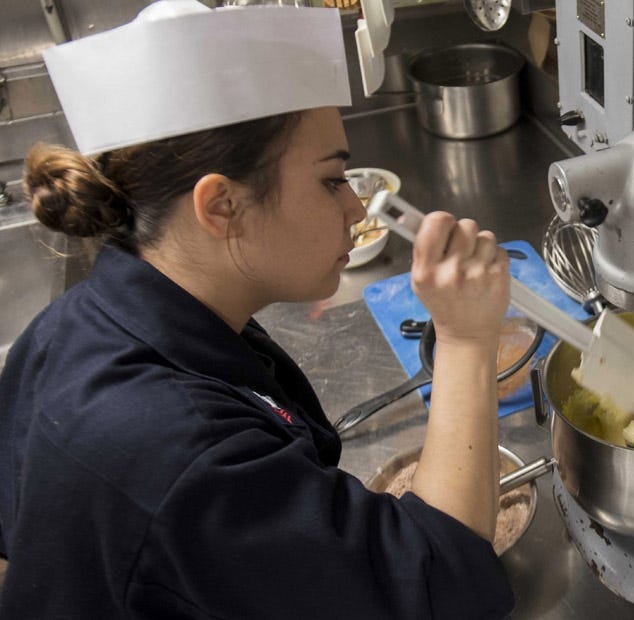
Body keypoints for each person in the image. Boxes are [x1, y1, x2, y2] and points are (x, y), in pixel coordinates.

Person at [0, 2, 514, 618]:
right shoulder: (181, 451)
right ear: (221, 207)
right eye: (331, 180)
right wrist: (464, 340)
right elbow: (443, 587)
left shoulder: (69, 328)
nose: (356, 208)